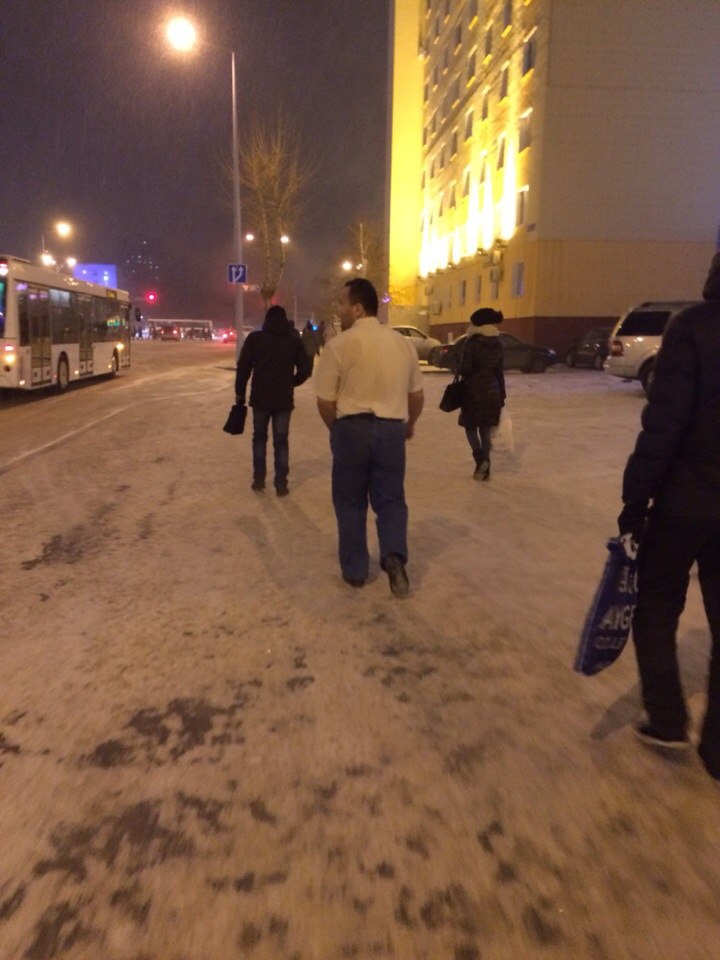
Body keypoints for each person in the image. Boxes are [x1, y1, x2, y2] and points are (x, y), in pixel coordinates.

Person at [618, 250, 720, 781]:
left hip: (684, 501)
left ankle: (666, 718)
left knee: (656, 604)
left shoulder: (692, 328)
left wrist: (636, 500)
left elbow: (665, 422)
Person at [314, 278, 424, 596]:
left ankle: (355, 570)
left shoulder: (339, 345)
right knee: (391, 499)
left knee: (350, 500)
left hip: (351, 428)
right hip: (391, 430)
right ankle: (394, 557)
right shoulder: (402, 344)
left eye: (342, 303)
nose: (339, 310)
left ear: (358, 308)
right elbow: (416, 395)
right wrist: (409, 424)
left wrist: (338, 430)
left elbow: (324, 401)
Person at [235, 304, 312, 496]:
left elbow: (243, 368)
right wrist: (292, 382)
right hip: (283, 400)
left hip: (260, 399)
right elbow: (305, 369)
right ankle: (281, 484)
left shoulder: (255, 339)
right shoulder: (293, 341)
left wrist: (240, 393)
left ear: (267, 320)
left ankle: (259, 479)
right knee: (281, 441)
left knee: (259, 439)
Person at [457, 308, 506, 481]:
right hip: (493, 391)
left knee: (470, 427)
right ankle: (486, 471)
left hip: (473, 392)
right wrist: (502, 395)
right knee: (485, 431)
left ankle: (480, 461)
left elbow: (465, 369)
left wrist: (459, 362)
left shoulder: (471, 343)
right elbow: (499, 371)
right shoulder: (497, 342)